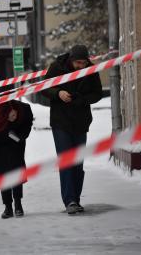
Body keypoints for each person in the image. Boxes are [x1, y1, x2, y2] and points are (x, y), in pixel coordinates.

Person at [41, 45, 102, 215]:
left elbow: (97, 93)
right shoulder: (57, 67)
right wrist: (58, 93)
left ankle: (76, 199)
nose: (80, 66)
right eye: (78, 63)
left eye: (83, 63)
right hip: (61, 122)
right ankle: (70, 200)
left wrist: (81, 99)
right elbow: (44, 88)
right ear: (71, 59)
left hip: (81, 122)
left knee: (78, 163)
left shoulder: (91, 70)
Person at [0, 99, 33, 219]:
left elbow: (28, 123)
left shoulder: (24, 109)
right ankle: (8, 206)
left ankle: (18, 204)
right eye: (11, 115)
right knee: (1, 172)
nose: (14, 117)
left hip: (16, 141)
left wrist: (22, 135)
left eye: (15, 114)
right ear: (4, 114)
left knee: (17, 170)